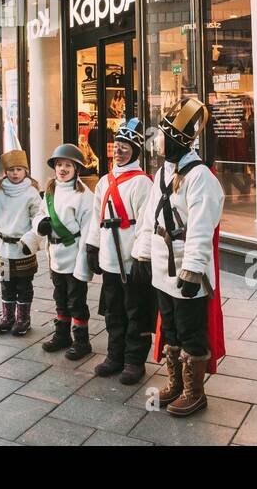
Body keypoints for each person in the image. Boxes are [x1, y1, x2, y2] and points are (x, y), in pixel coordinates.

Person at [134, 99, 226, 417]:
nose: (160, 142)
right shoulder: (164, 172)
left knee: (191, 332)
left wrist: (192, 271)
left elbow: (201, 229)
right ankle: (175, 383)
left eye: (165, 137)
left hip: (187, 269)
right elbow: (150, 218)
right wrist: (143, 255)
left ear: (179, 141)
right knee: (171, 329)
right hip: (162, 266)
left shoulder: (201, 178)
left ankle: (194, 392)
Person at [79, 118, 154, 381]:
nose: (119, 151)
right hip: (110, 257)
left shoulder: (143, 183)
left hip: (131, 258)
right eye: (117, 145)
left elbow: (146, 223)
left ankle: (135, 361)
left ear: (135, 151)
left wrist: (142, 256)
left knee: (136, 311)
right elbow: (96, 218)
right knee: (113, 311)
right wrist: (92, 246)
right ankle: (115, 355)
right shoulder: (104, 181)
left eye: (126, 147)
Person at [0, 149, 43, 336]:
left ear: (26, 170)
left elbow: (38, 218)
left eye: (19, 169)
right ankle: (7, 317)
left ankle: (23, 319)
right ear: (5, 171)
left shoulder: (31, 193)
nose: (15, 173)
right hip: (3, 248)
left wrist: (34, 238)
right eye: (11, 169)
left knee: (24, 285)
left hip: (23, 247)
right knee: (6, 284)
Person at [38, 144, 94, 350]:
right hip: (56, 255)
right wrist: (40, 224)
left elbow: (88, 231)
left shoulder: (83, 195)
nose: (62, 169)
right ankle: (62, 336)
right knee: (60, 298)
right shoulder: (50, 191)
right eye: (59, 164)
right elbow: (40, 213)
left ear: (76, 169)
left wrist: (83, 264)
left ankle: (82, 342)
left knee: (76, 302)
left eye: (67, 165)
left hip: (74, 255)